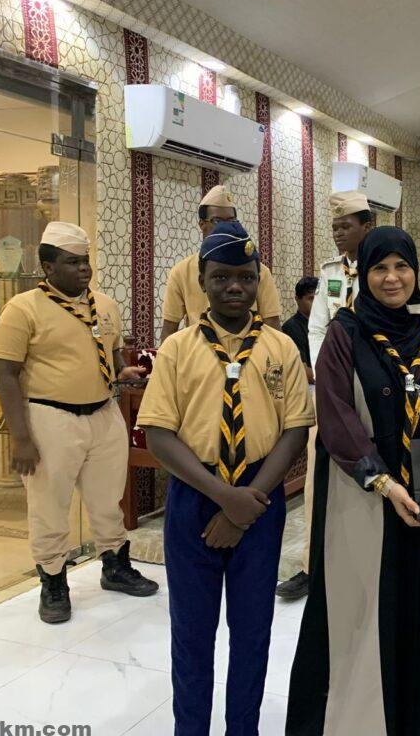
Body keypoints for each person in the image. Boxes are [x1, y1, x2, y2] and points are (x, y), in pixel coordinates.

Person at [286, 227, 420, 736]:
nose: (392, 278)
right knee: (364, 608)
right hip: (365, 500)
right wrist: (385, 483)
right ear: (364, 275)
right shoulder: (345, 335)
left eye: (401, 267)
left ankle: (415, 718)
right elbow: (336, 417)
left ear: (415, 271)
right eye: (380, 268)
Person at [136, 220, 313, 736]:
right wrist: (223, 498)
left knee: (253, 632)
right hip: (195, 493)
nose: (234, 287)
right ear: (202, 281)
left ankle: (243, 728)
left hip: (260, 495)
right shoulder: (177, 349)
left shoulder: (281, 347)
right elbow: (159, 435)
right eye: (221, 277)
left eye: (245, 277)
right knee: (191, 634)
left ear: (258, 280)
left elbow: (294, 431)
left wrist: (245, 504)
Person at [0, 221, 157, 624]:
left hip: (103, 414)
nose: (84, 269)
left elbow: (110, 353)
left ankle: (114, 566)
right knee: (49, 505)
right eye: (72, 262)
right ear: (48, 267)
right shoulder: (23, 309)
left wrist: (122, 372)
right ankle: (53, 582)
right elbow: (6, 374)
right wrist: (21, 439)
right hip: (50, 418)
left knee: (108, 499)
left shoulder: (105, 305)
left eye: (85, 261)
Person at [160, 185, 282, 343]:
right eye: (217, 221)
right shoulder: (181, 271)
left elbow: (272, 326)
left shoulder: (259, 271)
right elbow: (169, 330)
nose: (225, 227)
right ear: (202, 224)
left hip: (249, 350)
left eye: (231, 221)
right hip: (198, 351)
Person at [277, 276, 319, 600]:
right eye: (310, 298)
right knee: (314, 487)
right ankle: (310, 567)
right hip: (311, 398)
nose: (315, 303)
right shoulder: (292, 328)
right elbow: (305, 372)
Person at [308, 190, 376, 367]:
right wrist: (321, 369)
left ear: (366, 227)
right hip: (336, 363)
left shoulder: (379, 270)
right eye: (335, 228)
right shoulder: (331, 271)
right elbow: (317, 327)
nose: (338, 233)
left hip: (373, 362)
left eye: (345, 227)